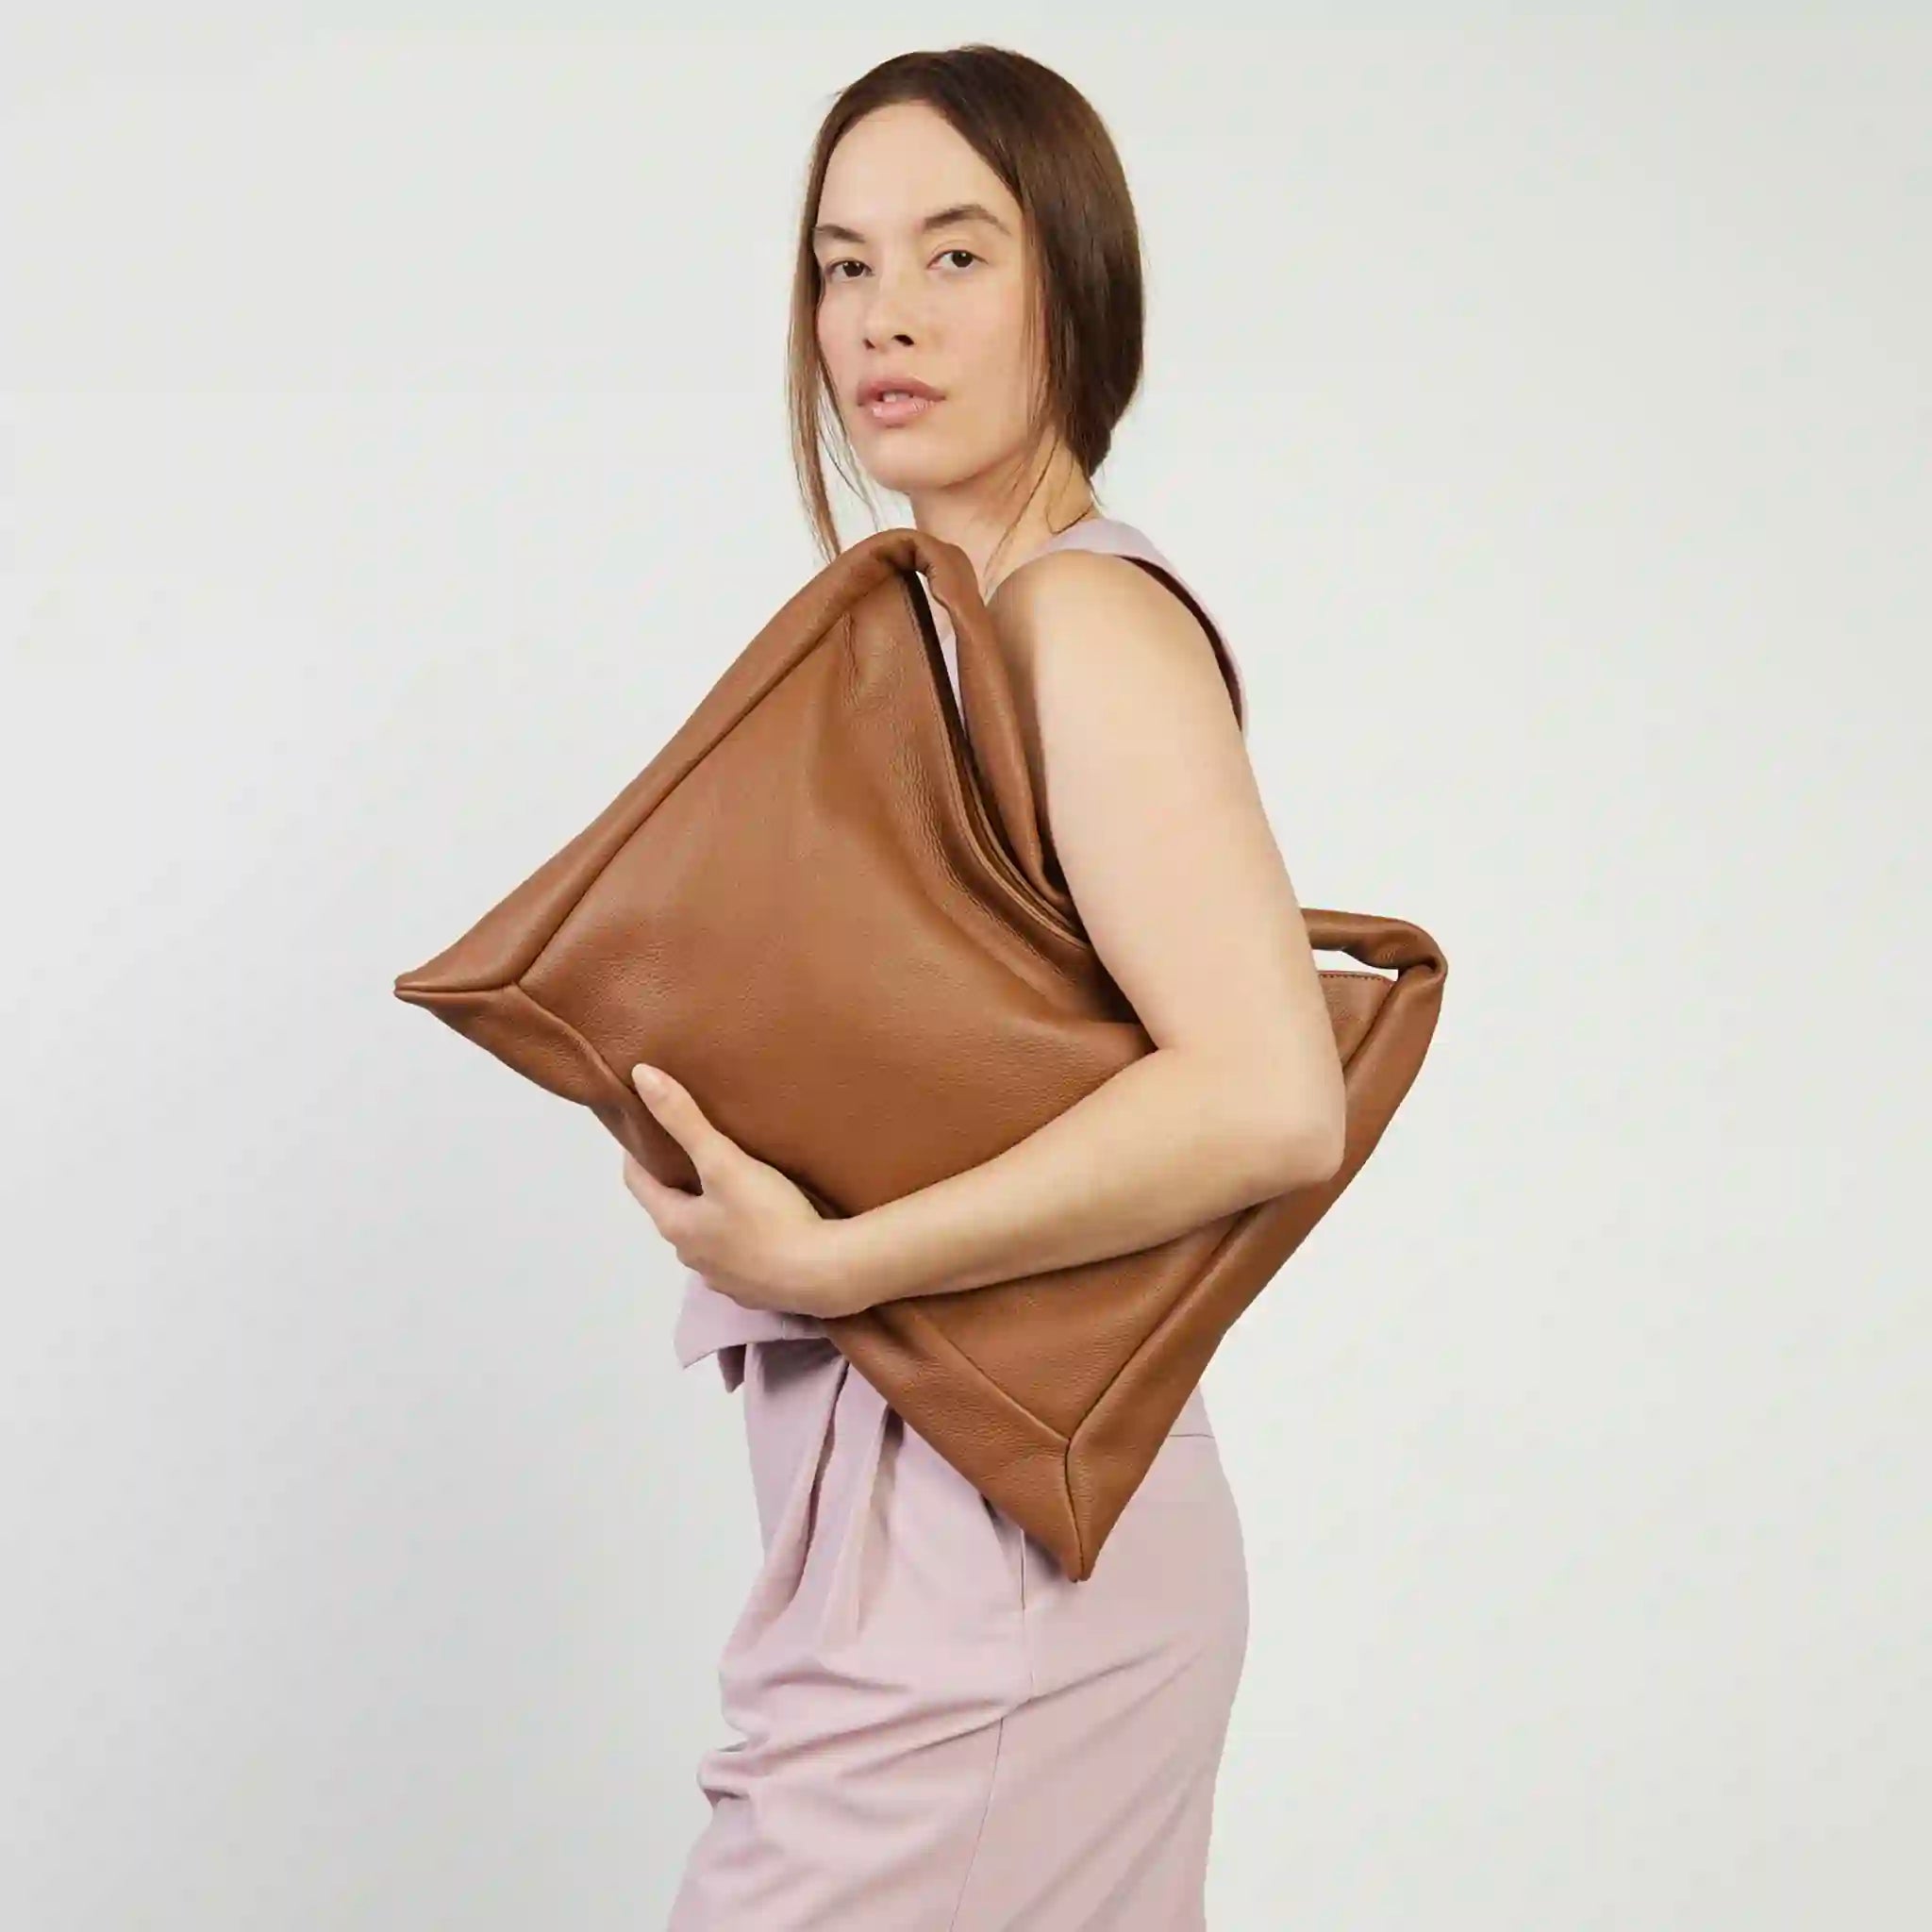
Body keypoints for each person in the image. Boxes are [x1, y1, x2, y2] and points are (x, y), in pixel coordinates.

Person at [622, 43, 1348, 1931]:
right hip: (938, 1520)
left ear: (1073, 284)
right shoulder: (954, 632)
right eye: (842, 264)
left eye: (956, 255)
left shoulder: (1077, 619)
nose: (885, 318)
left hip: (997, 1552)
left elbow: (1271, 1093)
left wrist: (833, 1262)